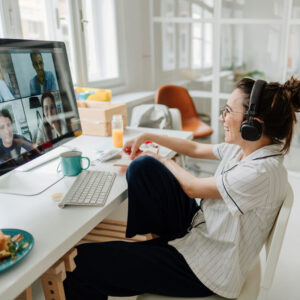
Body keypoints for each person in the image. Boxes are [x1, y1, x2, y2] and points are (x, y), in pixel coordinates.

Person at [63, 77, 300, 299]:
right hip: (202, 234)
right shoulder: (245, 149)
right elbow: (195, 149)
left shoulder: (260, 172)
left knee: (81, 263)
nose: (221, 118)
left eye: (227, 111)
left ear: (253, 124)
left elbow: (193, 188)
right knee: (144, 167)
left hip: (208, 270)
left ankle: (155, 255)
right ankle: (155, 249)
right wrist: (148, 136)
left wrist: (163, 159)